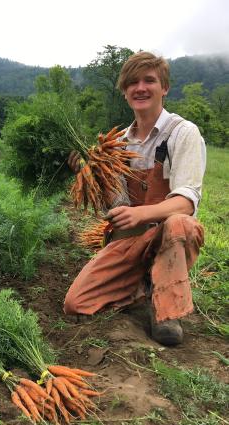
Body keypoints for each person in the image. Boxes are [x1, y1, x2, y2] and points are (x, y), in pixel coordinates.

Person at [64, 51, 205, 346]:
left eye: (149, 81)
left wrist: (143, 214)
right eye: (132, 83)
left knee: (181, 223)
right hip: (129, 240)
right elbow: (115, 207)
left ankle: (166, 311)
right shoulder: (116, 144)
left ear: (164, 87)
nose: (140, 87)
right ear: (125, 92)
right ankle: (146, 282)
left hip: (167, 236)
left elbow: (187, 201)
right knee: (76, 303)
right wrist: (89, 173)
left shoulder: (182, 133)